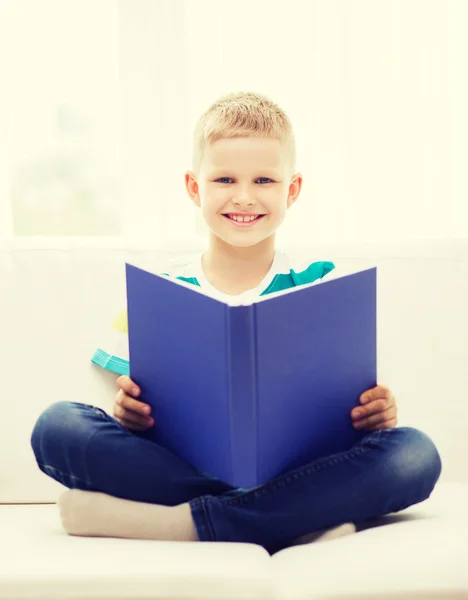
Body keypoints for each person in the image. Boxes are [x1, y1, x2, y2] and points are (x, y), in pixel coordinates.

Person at [30, 91, 442, 555]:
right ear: (193, 187)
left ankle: (183, 524)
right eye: (224, 178)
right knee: (57, 426)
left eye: (264, 179)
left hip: (301, 467)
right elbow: (130, 409)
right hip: (183, 466)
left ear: (292, 190)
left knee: (415, 454)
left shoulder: (322, 285)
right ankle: (291, 519)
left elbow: (355, 404)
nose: (243, 197)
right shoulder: (160, 292)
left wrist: (377, 416)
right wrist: (129, 417)